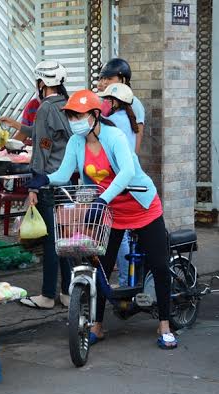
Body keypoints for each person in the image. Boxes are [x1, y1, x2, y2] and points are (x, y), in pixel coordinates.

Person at [38, 89, 177, 349]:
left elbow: (126, 172)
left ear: (94, 115)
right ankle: (97, 326)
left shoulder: (115, 137)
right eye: (70, 115)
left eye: (78, 115)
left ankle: (165, 325)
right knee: (100, 267)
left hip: (142, 206)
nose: (73, 120)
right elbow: (65, 172)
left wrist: (103, 199)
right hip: (112, 212)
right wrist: (43, 179)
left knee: (159, 265)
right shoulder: (76, 142)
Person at [0, 60, 72, 309]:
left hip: (48, 182)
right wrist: (18, 126)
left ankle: (47, 295)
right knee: (63, 238)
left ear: (41, 83)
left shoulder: (44, 108)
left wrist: (33, 186)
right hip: (67, 181)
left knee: (51, 241)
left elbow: (42, 149)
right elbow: (48, 136)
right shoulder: (67, 104)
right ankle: (66, 292)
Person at [100, 82, 140, 287]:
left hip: (118, 180)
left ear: (115, 102)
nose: (105, 103)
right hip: (130, 181)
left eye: (108, 100)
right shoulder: (128, 119)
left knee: (120, 233)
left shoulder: (112, 121)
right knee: (124, 232)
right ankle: (128, 279)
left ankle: (125, 282)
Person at [98, 58, 145, 155]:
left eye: (109, 78)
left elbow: (138, 133)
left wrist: (133, 160)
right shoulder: (103, 101)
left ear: (122, 80)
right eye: (103, 78)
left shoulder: (134, 103)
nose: (105, 82)